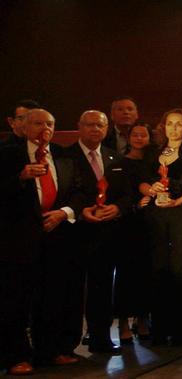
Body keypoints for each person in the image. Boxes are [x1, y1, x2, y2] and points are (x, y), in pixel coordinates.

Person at [0, 108, 86, 374]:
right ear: (23, 127)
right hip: (18, 240)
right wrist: (20, 178)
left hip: (56, 236)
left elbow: (80, 191)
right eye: (37, 123)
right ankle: (16, 356)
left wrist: (64, 213)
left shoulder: (63, 155)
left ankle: (49, 351)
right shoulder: (8, 155)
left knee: (52, 297)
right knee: (17, 299)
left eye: (49, 123)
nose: (44, 128)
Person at [62, 111, 136, 354]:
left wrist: (118, 209)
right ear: (79, 127)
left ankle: (100, 338)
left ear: (106, 129)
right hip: (75, 233)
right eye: (90, 125)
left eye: (100, 125)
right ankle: (66, 343)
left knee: (102, 287)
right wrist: (82, 210)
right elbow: (63, 192)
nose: (95, 129)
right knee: (72, 288)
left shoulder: (113, 157)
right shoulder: (65, 156)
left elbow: (127, 194)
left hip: (106, 234)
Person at [141, 109, 182, 346]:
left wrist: (177, 201)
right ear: (163, 127)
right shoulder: (152, 152)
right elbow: (142, 180)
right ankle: (158, 327)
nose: (174, 128)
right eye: (170, 124)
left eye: (179, 124)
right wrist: (151, 190)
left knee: (181, 267)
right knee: (158, 267)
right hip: (156, 215)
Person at [115, 122, 154, 344]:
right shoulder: (120, 163)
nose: (140, 138)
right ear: (129, 138)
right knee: (125, 275)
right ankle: (121, 322)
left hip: (152, 224)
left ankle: (142, 319)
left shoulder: (154, 162)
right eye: (135, 135)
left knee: (147, 273)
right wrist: (135, 205)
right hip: (128, 225)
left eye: (144, 134)